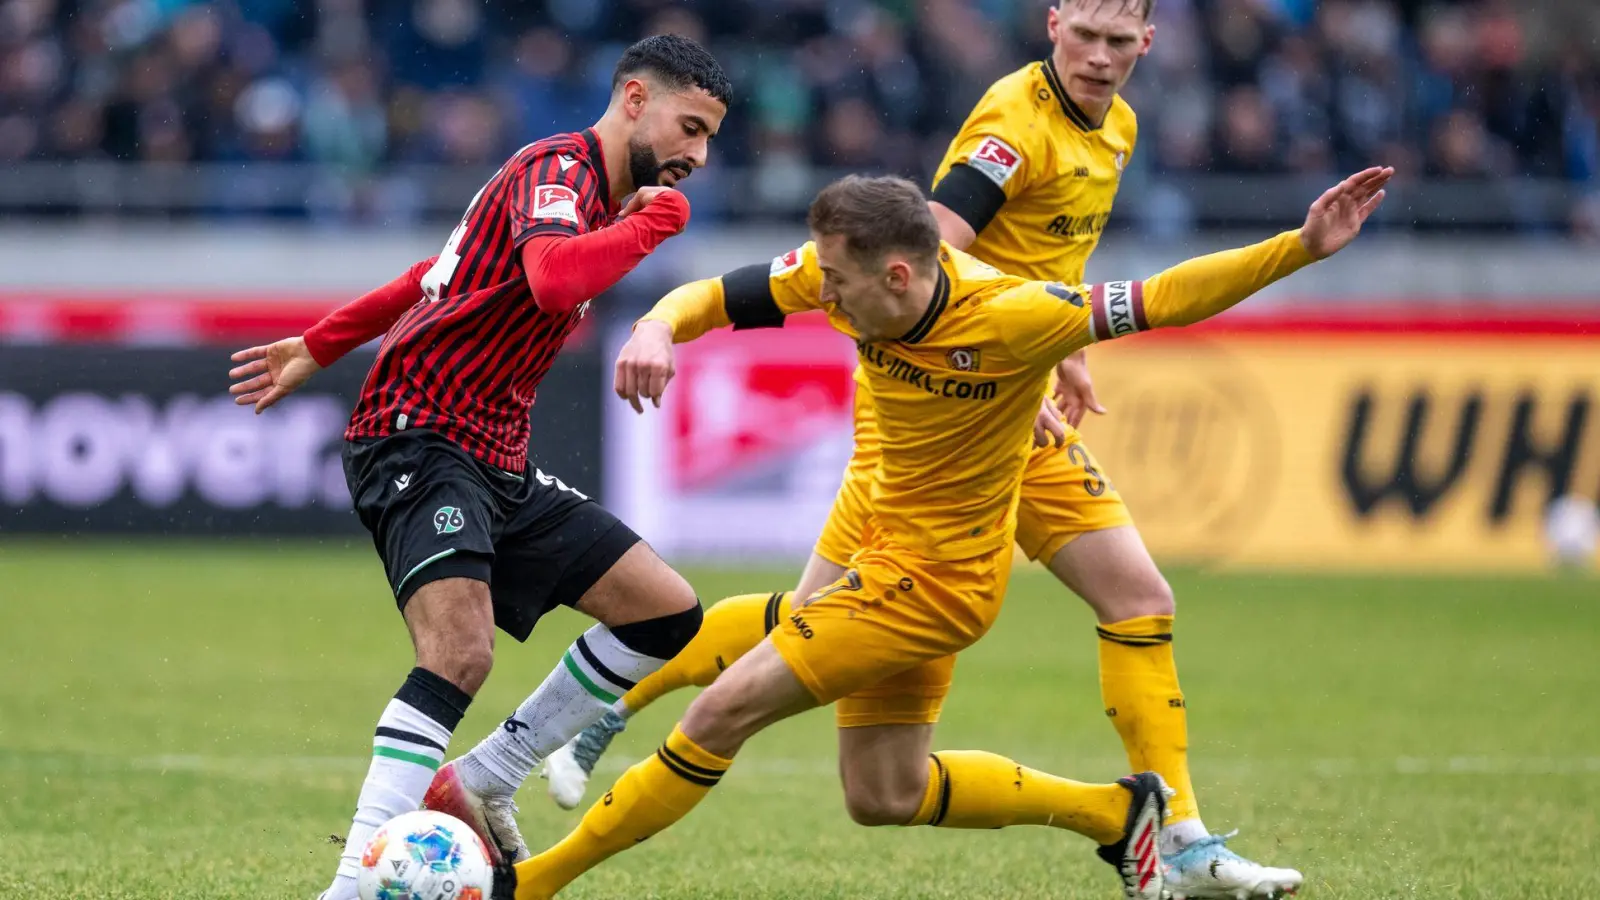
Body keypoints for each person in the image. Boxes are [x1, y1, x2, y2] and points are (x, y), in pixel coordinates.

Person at [546, 2, 1299, 895]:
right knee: (821, 656)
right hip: (941, 405)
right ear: (1052, 24)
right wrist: (1003, 356)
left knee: (1135, 596)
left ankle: (1174, 827)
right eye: (1085, 37)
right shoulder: (1012, 126)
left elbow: (1060, 281)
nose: (1099, 58)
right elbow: (933, 246)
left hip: (1005, 387)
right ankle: (609, 706)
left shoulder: (1119, 126)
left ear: (1149, 42)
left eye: (1119, 42)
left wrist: (1057, 349)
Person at [223, 35, 732, 899]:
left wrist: (320, 342)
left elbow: (437, 273)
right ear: (636, 100)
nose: (697, 156)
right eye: (690, 127)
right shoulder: (558, 171)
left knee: (666, 614)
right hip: (416, 433)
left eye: (711, 138)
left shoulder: (590, 196)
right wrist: (654, 225)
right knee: (459, 651)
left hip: (496, 456)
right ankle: (350, 889)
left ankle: (487, 774)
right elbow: (550, 282)